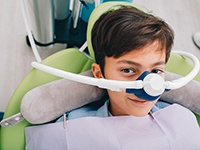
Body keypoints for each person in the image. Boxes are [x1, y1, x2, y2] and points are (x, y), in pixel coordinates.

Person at [26, 4, 200, 149]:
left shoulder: (182, 120)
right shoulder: (70, 130)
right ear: (99, 74)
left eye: (156, 71)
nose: (148, 86)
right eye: (128, 70)